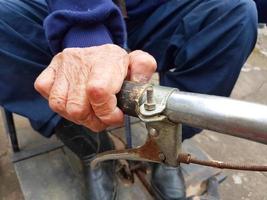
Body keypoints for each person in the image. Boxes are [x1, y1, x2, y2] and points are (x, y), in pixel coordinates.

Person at [0, 0, 259, 199]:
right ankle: (92, 148)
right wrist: (85, 32)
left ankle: (166, 147)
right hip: (68, 8)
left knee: (237, 11)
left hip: (153, 11)